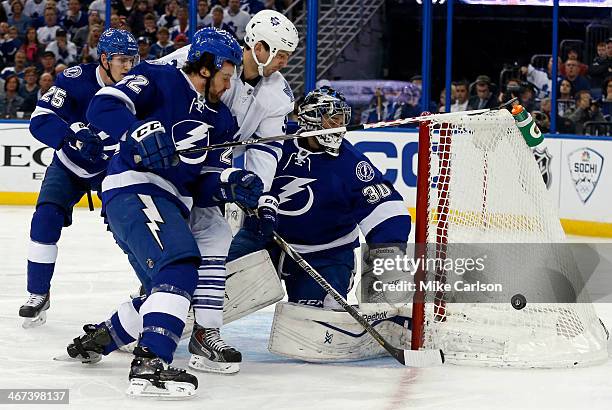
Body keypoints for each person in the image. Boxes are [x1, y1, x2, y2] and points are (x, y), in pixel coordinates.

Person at [63, 28, 256, 399]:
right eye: (226, 75)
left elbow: (203, 181)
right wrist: (137, 132)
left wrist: (230, 182)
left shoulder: (223, 120)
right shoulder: (159, 76)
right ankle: (150, 365)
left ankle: (107, 337)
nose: (229, 85)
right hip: (133, 187)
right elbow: (103, 106)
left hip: (172, 201)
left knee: (169, 290)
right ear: (206, 66)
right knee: (179, 265)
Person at [156, 9, 298, 374]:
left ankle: (205, 332)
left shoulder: (277, 93)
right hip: (166, 168)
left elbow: (266, 148)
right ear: (260, 46)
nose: (284, 63)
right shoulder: (205, 57)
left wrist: (259, 193)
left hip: (211, 174)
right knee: (170, 252)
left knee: (216, 236)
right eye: (280, 54)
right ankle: (151, 323)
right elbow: (152, 87)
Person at [226, 87, 411, 360]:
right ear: (309, 118)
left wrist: (388, 251)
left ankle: (371, 315)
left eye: (341, 119)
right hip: (265, 237)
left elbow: (385, 207)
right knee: (216, 281)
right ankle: (173, 299)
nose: (338, 126)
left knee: (310, 322)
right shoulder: (276, 138)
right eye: (331, 119)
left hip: (325, 254)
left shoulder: (351, 164)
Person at [18, 29, 140, 328]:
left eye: (133, 59)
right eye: (122, 60)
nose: (128, 66)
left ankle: (153, 287)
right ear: (104, 59)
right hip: (70, 165)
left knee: (133, 227)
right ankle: (38, 293)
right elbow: (40, 120)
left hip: (113, 167)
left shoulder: (140, 86)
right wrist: (70, 137)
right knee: (45, 217)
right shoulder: (74, 79)